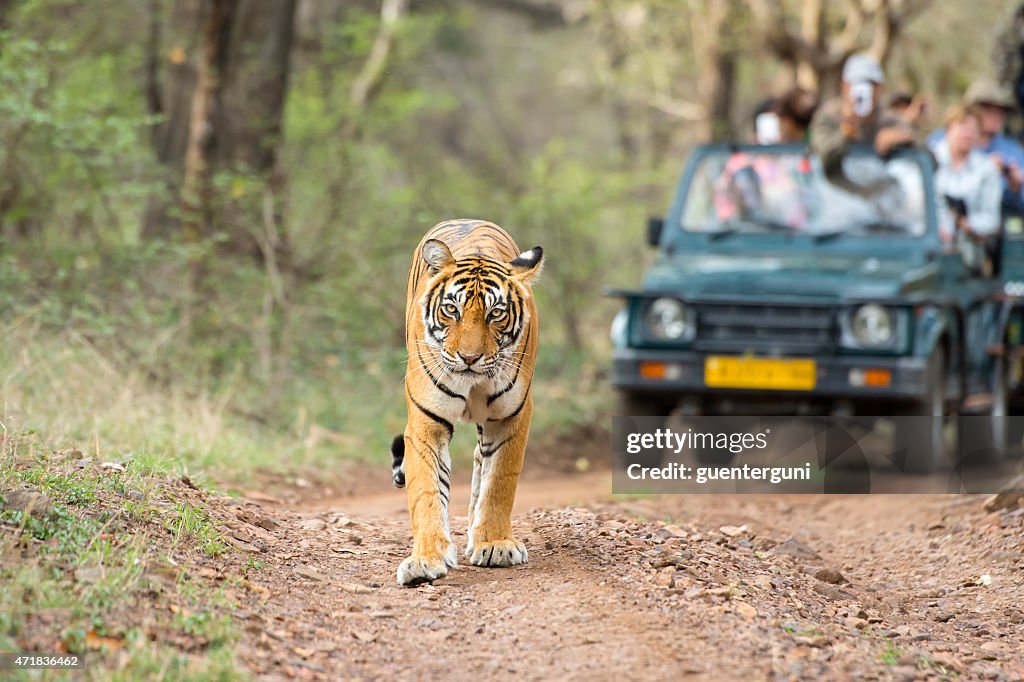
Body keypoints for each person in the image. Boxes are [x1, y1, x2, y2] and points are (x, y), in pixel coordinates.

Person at [810, 52, 916, 180]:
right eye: (857, 83)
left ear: (880, 87)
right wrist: (846, 132)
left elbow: (927, 160)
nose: (865, 90)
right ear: (845, 86)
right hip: (836, 193)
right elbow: (822, 157)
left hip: (878, 194)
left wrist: (902, 137)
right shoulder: (828, 116)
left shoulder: (891, 119)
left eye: (871, 84)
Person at [931, 105, 1003, 272]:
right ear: (949, 129)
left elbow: (991, 220)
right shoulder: (930, 159)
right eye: (962, 127)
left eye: (973, 129)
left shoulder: (985, 168)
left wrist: (965, 223)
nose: (968, 134)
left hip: (968, 255)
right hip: (931, 251)